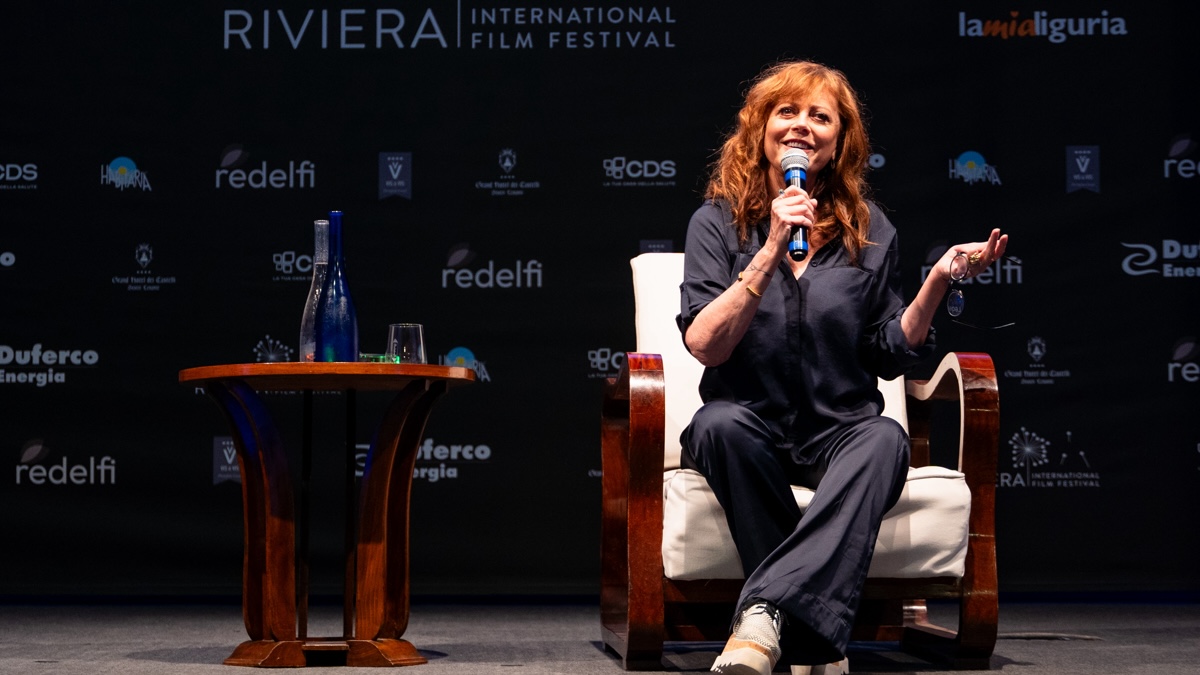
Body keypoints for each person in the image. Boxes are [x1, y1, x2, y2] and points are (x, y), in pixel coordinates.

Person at [677, 60, 1008, 675]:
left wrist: (935, 282)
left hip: (839, 428)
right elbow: (706, 344)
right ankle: (815, 635)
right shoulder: (716, 223)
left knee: (885, 438)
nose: (802, 126)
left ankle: (764, 621)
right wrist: (773, 244)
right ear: (762, 129)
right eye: (788, 111)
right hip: (746, 424)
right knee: (715, 426)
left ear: (838, 144)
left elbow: (887, 351)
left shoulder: (871, 230)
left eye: (820, 117)